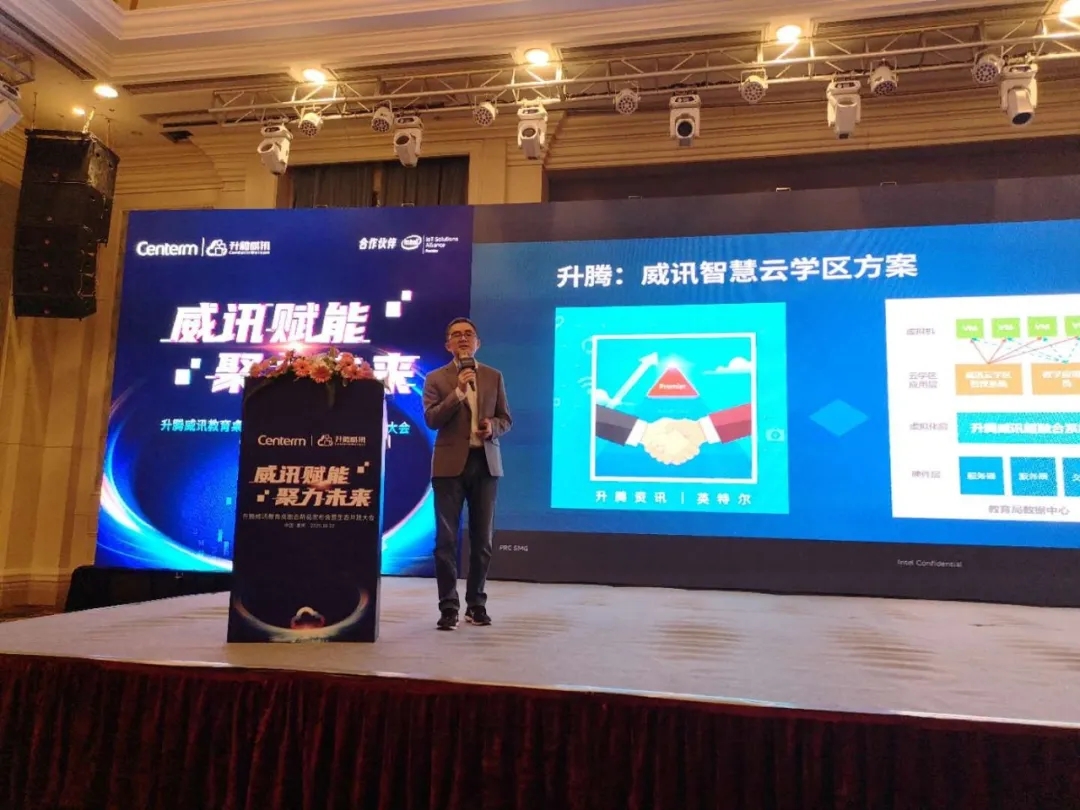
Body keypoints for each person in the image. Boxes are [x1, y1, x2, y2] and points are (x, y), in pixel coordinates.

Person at [422, 317, 512, 630]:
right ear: (448, 344)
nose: (463, 339)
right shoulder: (436, 378)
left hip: (485, 464)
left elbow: (506, 418)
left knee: (482, 540)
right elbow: (432, 419)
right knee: (446, 541)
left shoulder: (493, 376)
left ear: (478, 343)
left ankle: (476, 605)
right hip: (449, 467)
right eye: (456, 335)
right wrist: (458, 392)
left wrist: (493, 427)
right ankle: (448, 607)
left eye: (469, 334)